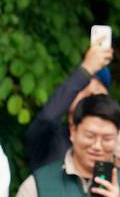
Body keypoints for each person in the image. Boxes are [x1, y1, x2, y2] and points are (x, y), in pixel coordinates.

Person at [25, 39, 113, 172]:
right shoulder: (50, 139)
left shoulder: (110, 146)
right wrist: (86, 70)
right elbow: (47, 117)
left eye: (97, 96)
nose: (91, 103)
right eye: (85, 94)